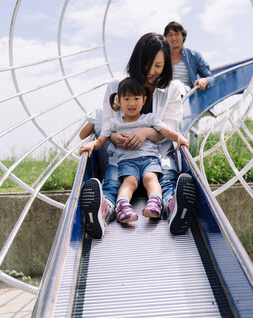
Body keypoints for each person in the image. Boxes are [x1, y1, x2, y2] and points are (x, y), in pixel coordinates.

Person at [80, 32, 196, 239]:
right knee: (113, 182)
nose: (151, 71)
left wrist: (145, 132)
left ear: (165, 66)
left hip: (154, 157)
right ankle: (101, 211)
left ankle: (174, 207)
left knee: (167, 179)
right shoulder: (116, 87)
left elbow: (170, 126)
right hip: (122, 157)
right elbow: (107, 123)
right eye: (147, 64)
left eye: (158, 66)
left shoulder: (171, 89)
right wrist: (114, 137)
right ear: (137, 60)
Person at [80, 77, 189, 223]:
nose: (132, 103)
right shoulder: (114, 123)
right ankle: (122, 207)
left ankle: (155, 202)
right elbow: (101, 140)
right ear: (119, 101)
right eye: (126, 99)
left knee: (151, 178)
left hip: (149, 159)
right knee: (129, 182)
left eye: (136, 98)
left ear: (144, 100)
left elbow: (166, 131)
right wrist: (91, 145)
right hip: (127, 162)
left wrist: (179, 138)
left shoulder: (149, 119)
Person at [164, 21, 214, 93]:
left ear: (183, 36)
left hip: (187, 98)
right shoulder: (162, 57)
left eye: (176, 34)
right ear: (166, 38)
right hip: (166, 97)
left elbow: (211, 78)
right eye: (170, 35)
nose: (174, 38)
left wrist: (204, 81)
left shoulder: (194, 55)